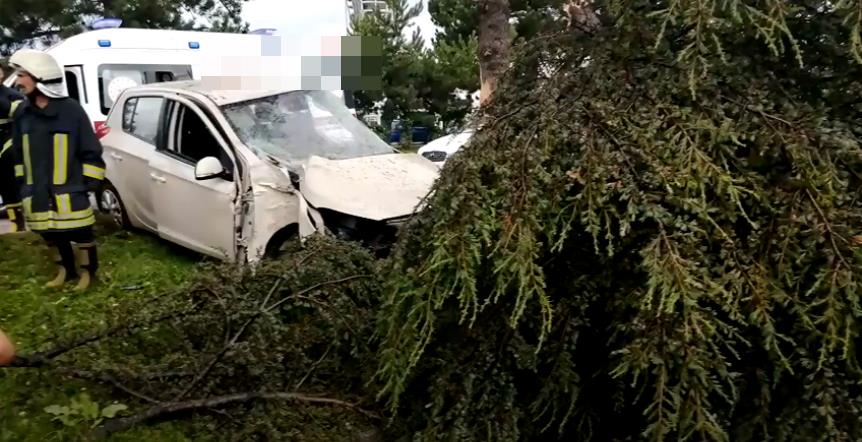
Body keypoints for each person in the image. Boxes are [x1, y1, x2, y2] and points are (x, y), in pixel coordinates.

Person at [2, 49, 106, 291]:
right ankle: (65, 271)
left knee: (82, 234)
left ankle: (88, 275)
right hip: (36, 191)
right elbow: (18, 154)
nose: (18, 81)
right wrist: (23, 186)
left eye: (22, 74)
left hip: (70, 191)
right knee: (51, 234)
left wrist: (87, 186)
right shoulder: (23, 115)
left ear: (40, 77)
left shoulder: (71, 111)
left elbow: (91, 151)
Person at [0, 63, 26, 232]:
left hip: (8, 142)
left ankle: (19, 223)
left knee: (11, 185)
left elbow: (17, 114)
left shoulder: (12, 95)